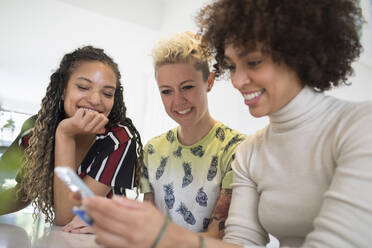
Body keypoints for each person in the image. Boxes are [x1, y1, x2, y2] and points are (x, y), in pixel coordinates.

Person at [74, 0, 372, 247]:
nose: (239, 81)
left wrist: (165, 237)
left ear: (299, 51)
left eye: (253, 62)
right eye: (232, 66)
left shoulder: (360, 125)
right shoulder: (251, 152)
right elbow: (240, 243)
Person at [0, 46, 143, 231]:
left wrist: (65, 135)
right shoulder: (36, 132)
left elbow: (69, 218)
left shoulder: (119, 138)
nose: (95, 100)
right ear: (62, 90)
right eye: (83, 87)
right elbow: (23, 194)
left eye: (107, 93)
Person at [141, 31, 245, 238]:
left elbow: (218, 235)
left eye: (187, 87)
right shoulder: (152, 149)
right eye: (166, 91)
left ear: (209, 82)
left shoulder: (236, 149)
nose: (178, 101)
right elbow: (148, 224)